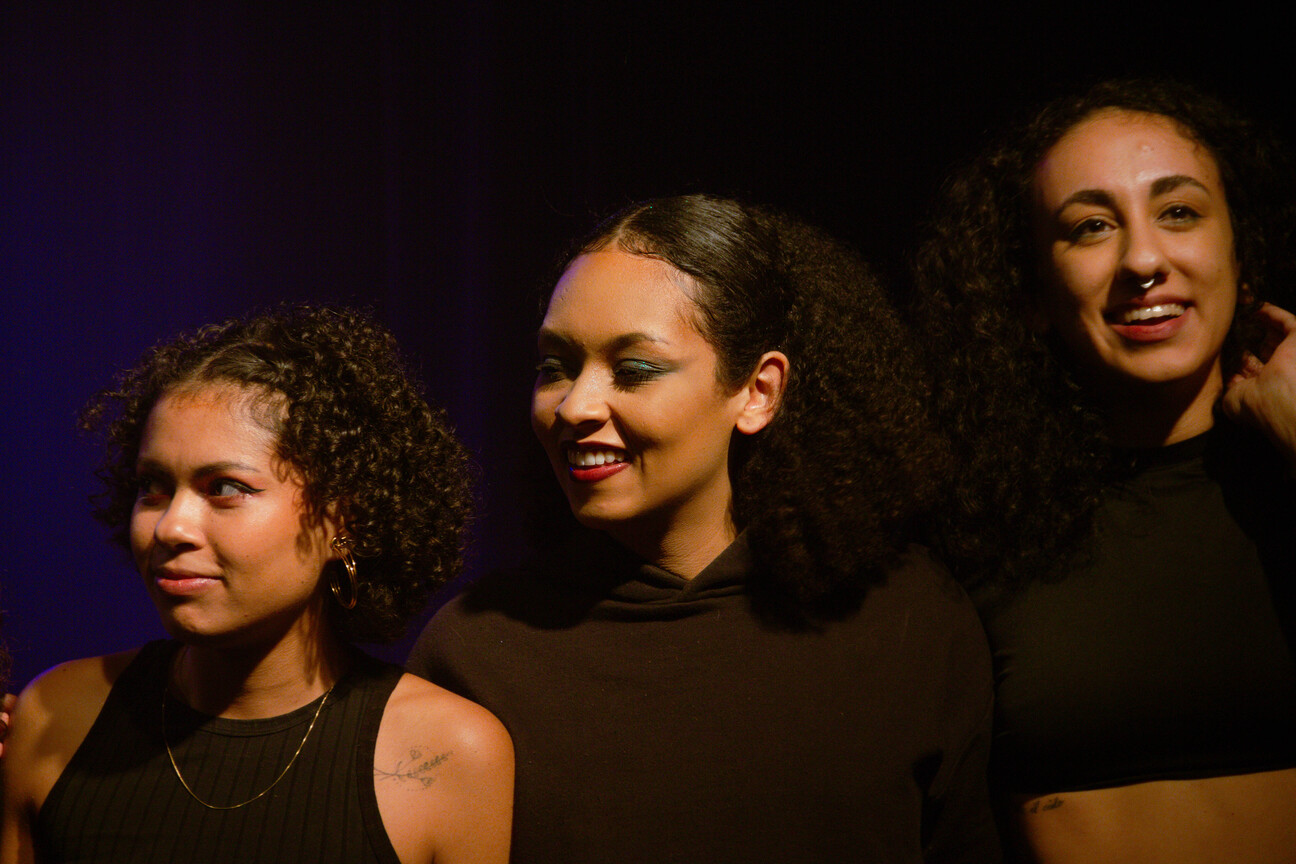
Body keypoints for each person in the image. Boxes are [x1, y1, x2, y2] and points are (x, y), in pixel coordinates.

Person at [409, 194, 1001, 863]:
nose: (575, 406)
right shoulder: (477, 654)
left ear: (758, 391)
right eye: (557, 367)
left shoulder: (907, 624)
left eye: (633, 370)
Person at [913, 78, 1296, 863]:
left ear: (1242, 253)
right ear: (1029, 294)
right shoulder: (976, 520)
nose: (1144, 259)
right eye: (1090, 227)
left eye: (1179, 212)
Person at [1, 306, 513, 864]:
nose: (170, 526)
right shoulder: (57, 715)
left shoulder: (448, 757)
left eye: (225, 487)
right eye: (153, 487)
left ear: (346, 518)